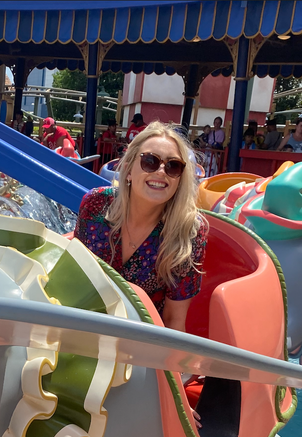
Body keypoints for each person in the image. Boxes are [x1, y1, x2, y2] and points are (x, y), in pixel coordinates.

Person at [74, 121, 207, 337]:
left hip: (141, 343)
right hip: (84, 329)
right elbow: (73, 279)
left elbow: (174, 321)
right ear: (128, 170)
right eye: (150, 162)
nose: (161, 172)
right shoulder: (95, 204)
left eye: (173, 166)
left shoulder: (189, 231)